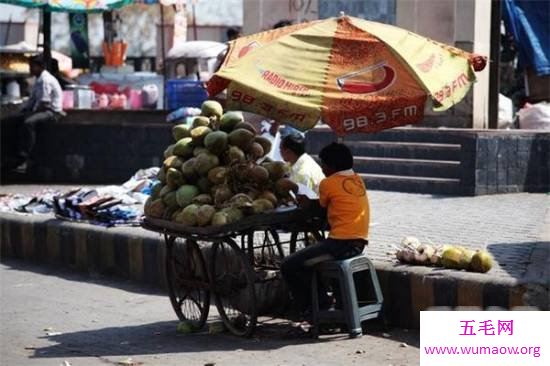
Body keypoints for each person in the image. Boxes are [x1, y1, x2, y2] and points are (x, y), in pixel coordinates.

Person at [280, 142, 370, 327]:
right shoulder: (357, 179)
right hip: (358, 241)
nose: (322, 168)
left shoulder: (328, 183)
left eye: (324, 164)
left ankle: (316, 310)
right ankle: (326, 304)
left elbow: (318, 208)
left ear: (333, 166)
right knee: (309, 259)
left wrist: (305, 202)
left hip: (339, 244)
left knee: (289, 265)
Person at [3, 54, 64, 173]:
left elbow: (44, 104)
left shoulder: (45, 80)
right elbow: (32, 101)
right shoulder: (38, 79)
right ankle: (10, 156)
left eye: (33, 66)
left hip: (51, 112)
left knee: (28, 123)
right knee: (9, 121)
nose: (30, 69)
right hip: (41, 109)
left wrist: (29, 114)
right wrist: (22, 110)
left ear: (40, 67)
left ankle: (24, 156)